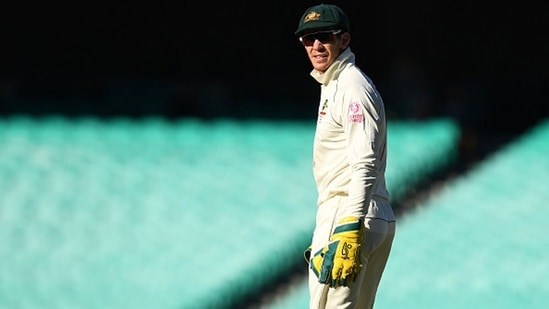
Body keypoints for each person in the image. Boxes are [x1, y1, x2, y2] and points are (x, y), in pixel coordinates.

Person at [295, 4, 396, 309]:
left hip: (350, 211)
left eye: (324, 36)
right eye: (308, 39)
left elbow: (364, 162)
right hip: (366, 212)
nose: (316, 45)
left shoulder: (350, 86)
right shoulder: (335, 83)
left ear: (344, 39)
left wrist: (349, 226)